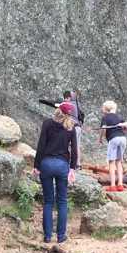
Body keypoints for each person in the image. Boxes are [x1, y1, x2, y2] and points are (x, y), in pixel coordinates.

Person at [33, 104, 78, 243]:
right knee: (62, 201)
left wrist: (36, 165)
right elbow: (74, 150)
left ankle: (47, 236)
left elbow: (41, 145)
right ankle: (60, 236)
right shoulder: (71, 127)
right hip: (62, 165)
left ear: (57, 111)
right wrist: (72, 168)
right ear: (69, 114)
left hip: (46, 164)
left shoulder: (47, 123)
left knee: (48, 201)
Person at [98, 100, 127, 192]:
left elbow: (103, 129)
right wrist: (122, 126)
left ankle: (112, 186)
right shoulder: (119, 117)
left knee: (111, 162)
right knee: (119, 162)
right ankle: (120, 184)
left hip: (114, 139)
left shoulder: (105, 117)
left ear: (105, 109)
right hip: (123, 139)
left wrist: (100, 138)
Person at [57, 90, 83, 169]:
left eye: (66, 98)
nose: (65, 99)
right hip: (78, 127)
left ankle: (69, 162)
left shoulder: (68, 105)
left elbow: (60, 107)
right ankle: (78, 164)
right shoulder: (76, 105)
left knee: (69, 145)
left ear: (69, 98)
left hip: (72, 127)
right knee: (77, 145)